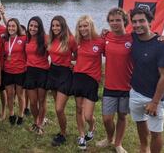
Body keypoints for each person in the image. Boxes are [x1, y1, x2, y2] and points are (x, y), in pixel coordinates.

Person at [129, 7, 164, 153]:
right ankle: (143, 148)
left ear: (150, 22)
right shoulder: (133, 37)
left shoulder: (162, 45)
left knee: (156, 132)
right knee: (140, 123)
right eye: (134, 22)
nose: (137, 25)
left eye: (142, 21)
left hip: (155, 98)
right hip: (135, 92)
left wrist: (154, 102)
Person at [96, 8, 132, 153]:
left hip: (127, 86)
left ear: (124, 21)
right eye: (111, 20)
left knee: (122, 116)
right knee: (107, 119)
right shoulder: (106, 37)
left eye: (118, 20)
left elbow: (150, 38)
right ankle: (109, 138)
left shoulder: (132, 38)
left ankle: (118, 143)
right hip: (110, 85)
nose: (115, 23)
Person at [71, 15, 105, 150]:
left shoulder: (100, 41)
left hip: (92, 80)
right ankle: (81, 136)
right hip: (78, 77)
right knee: (79, 109)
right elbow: (73, 55)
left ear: (91, 26)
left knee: (88, 115)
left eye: (85, 25)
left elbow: (115, 50)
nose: (83, 28)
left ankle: (92, 126)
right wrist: (71, 63)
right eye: (80, 26)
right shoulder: (77, 41)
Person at [47, 15, 77, 146]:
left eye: (58, 25)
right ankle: (62, 131)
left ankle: (63, 133)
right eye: (53, 25)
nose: (55, 28)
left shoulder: (70, 39)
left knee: (59, 109)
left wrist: (74, 63)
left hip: (65, 74)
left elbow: (78, 55)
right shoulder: (50, 39)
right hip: (53, 71)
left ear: (63, 26)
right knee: (57, 107)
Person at [24, 16, 49, 135]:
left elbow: (60, 42)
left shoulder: (45, 38)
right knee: (33, 102)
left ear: (40, 28)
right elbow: (11, 26)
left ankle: (40, 123)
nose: (33, 28)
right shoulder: (26, 38)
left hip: (43, 72)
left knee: (42, 100)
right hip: (30, 72)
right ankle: (36, 120)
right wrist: (3, 14)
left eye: (35, 26)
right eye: (31, 25)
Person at [3, 18, 27, 126]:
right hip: (8, 70)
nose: (11, 28)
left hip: (20, 71)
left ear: (17, 27)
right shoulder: (5, 39)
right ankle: (12, 114)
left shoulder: (23, 38)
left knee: (20, 95)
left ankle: (21, 115)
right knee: (9, 94)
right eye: (9, 26)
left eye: (13, 26)